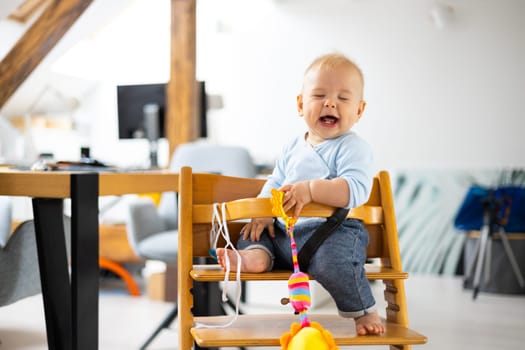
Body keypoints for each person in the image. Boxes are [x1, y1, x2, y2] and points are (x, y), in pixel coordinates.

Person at [216, 52, 384, 335]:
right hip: (287, 234)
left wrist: (312, 189)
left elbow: (355, 190)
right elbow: (276, 180)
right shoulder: (292, 147)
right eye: (319, 95)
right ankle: (253, 259)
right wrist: (265, 210)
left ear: (359, 111)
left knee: (333, 263)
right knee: (252, 234)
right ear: (300, 104)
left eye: (343, 98)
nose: (330, 102)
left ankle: (363, 311)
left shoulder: (353, 148)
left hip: (334, 231)